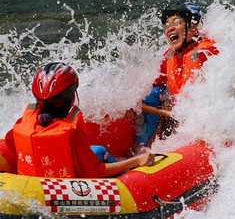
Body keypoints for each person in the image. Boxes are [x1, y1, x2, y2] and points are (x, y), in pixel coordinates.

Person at [2, 62, 155, 178]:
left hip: (33, 184)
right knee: (100, 151)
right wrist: (137, 161)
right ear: (71, 97)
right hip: (68, 189)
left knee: (96, 150)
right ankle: (129, 180)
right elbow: (95, 171)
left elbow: (10, 144)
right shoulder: (70, 131)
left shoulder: (24, 122)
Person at [136, 1, 219, 148]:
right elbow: (156, 85)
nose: (170, 28)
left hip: (205, 122)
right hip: (177, 117)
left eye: (176, 22)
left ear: (194, 28)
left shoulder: (207, 50)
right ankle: (142, 148)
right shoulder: (169, 57)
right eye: (166, 25)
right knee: (154, 94)